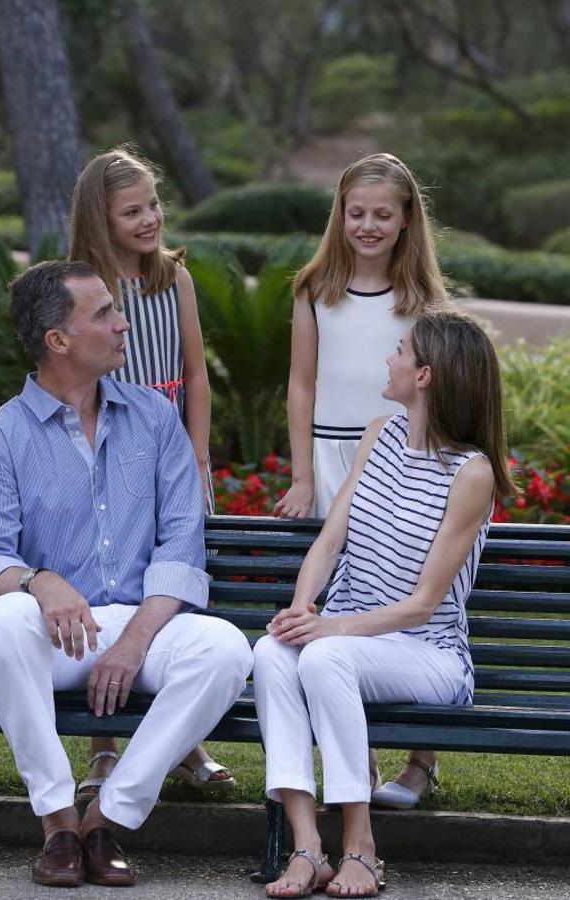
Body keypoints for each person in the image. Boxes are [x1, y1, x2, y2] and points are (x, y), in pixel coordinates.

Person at [0, 260, 253, 887]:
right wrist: (40, 582)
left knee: (225, 649)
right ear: (57, 340)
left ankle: (105, 820)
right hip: (59, 632)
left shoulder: (155, 419)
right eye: (104, 314)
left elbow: (181, 545)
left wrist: (135, 640)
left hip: (141, 624)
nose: (124, 325)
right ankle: (58, 823)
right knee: (4, 622)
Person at [255, 308, 515, 898]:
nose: (390, 358)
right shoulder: (380, 433)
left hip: (427, 652)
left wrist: (330, 631)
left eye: (400, 350)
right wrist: (302, 611)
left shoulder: (473, 474)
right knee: (272, 652)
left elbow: (423, 606)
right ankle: (306, 847)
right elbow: (331, 539)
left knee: (323, 659)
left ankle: (361, 848)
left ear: (424, 375)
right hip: (348, 636)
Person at [274, 152, 447, 807]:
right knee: (345, 600)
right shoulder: (315, 289)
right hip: (329, 460)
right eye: (356, 213)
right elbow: (301, 383)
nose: (367, 225)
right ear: (339, 215)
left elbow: (439, 388)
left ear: (406, 221)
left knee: (404, 592)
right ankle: (360, 761)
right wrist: (299, 476)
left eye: (383, 215)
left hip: (404, 459)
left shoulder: (423, 299)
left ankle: (421, 760)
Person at [69, 147, 232, 798]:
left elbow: (195, 375)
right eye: (131, 211)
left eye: (154, 206)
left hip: (171, 462)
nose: (149, 219)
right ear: (100, 219)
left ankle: (184, 744)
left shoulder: (176, 281)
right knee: (107, 598)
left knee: (173, 594)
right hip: (105, 460)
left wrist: (199, 460)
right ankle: (104, 750)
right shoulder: (80, 288)